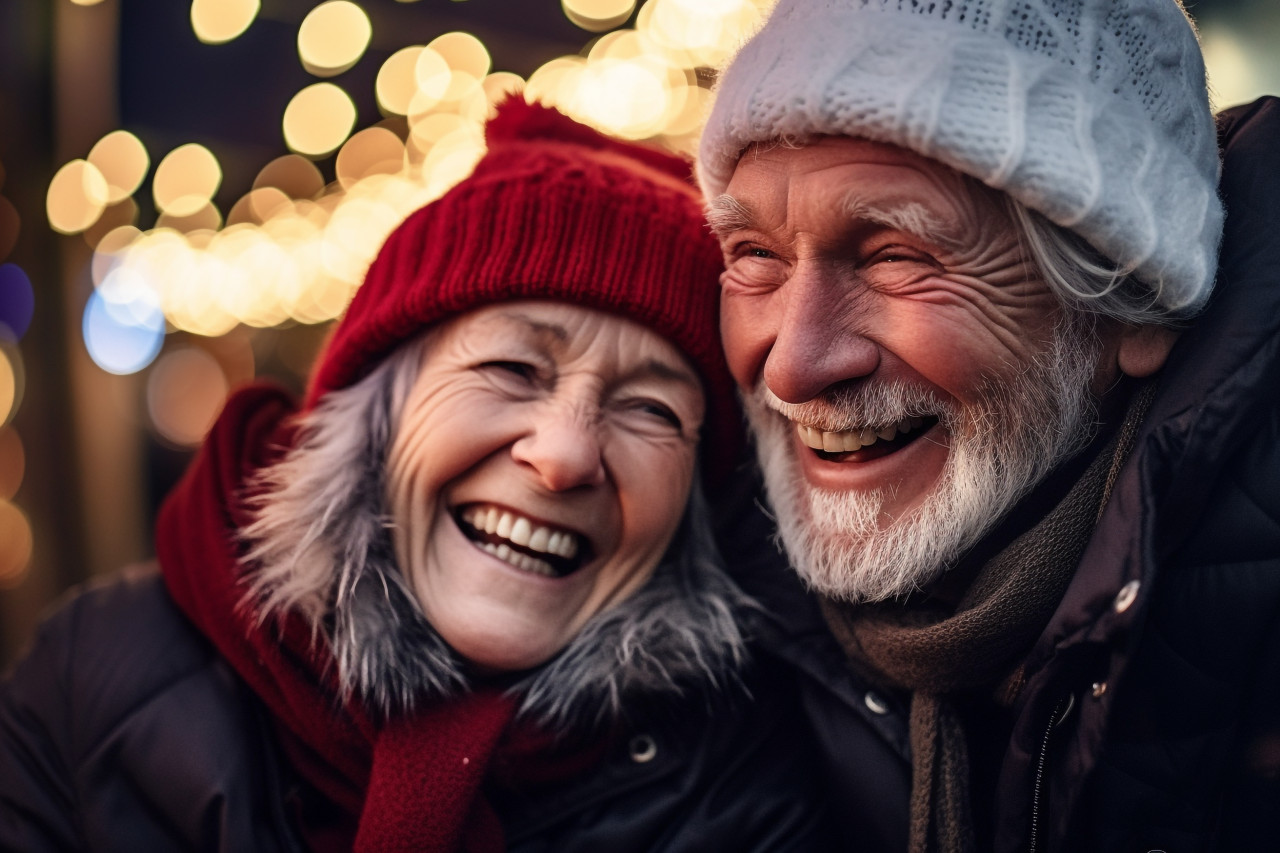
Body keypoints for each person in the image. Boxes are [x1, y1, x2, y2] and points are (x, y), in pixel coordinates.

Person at [0, 99, 832, 852]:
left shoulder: (742, 784)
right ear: (376, 412)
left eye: (652, 410)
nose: (565, 454)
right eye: (512, 367)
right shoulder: (96, 682)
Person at [695, 0, 1280, 850]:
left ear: (1137, 305)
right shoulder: (716, 617)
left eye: (898, 255)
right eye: (754, 255)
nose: (790, 365)